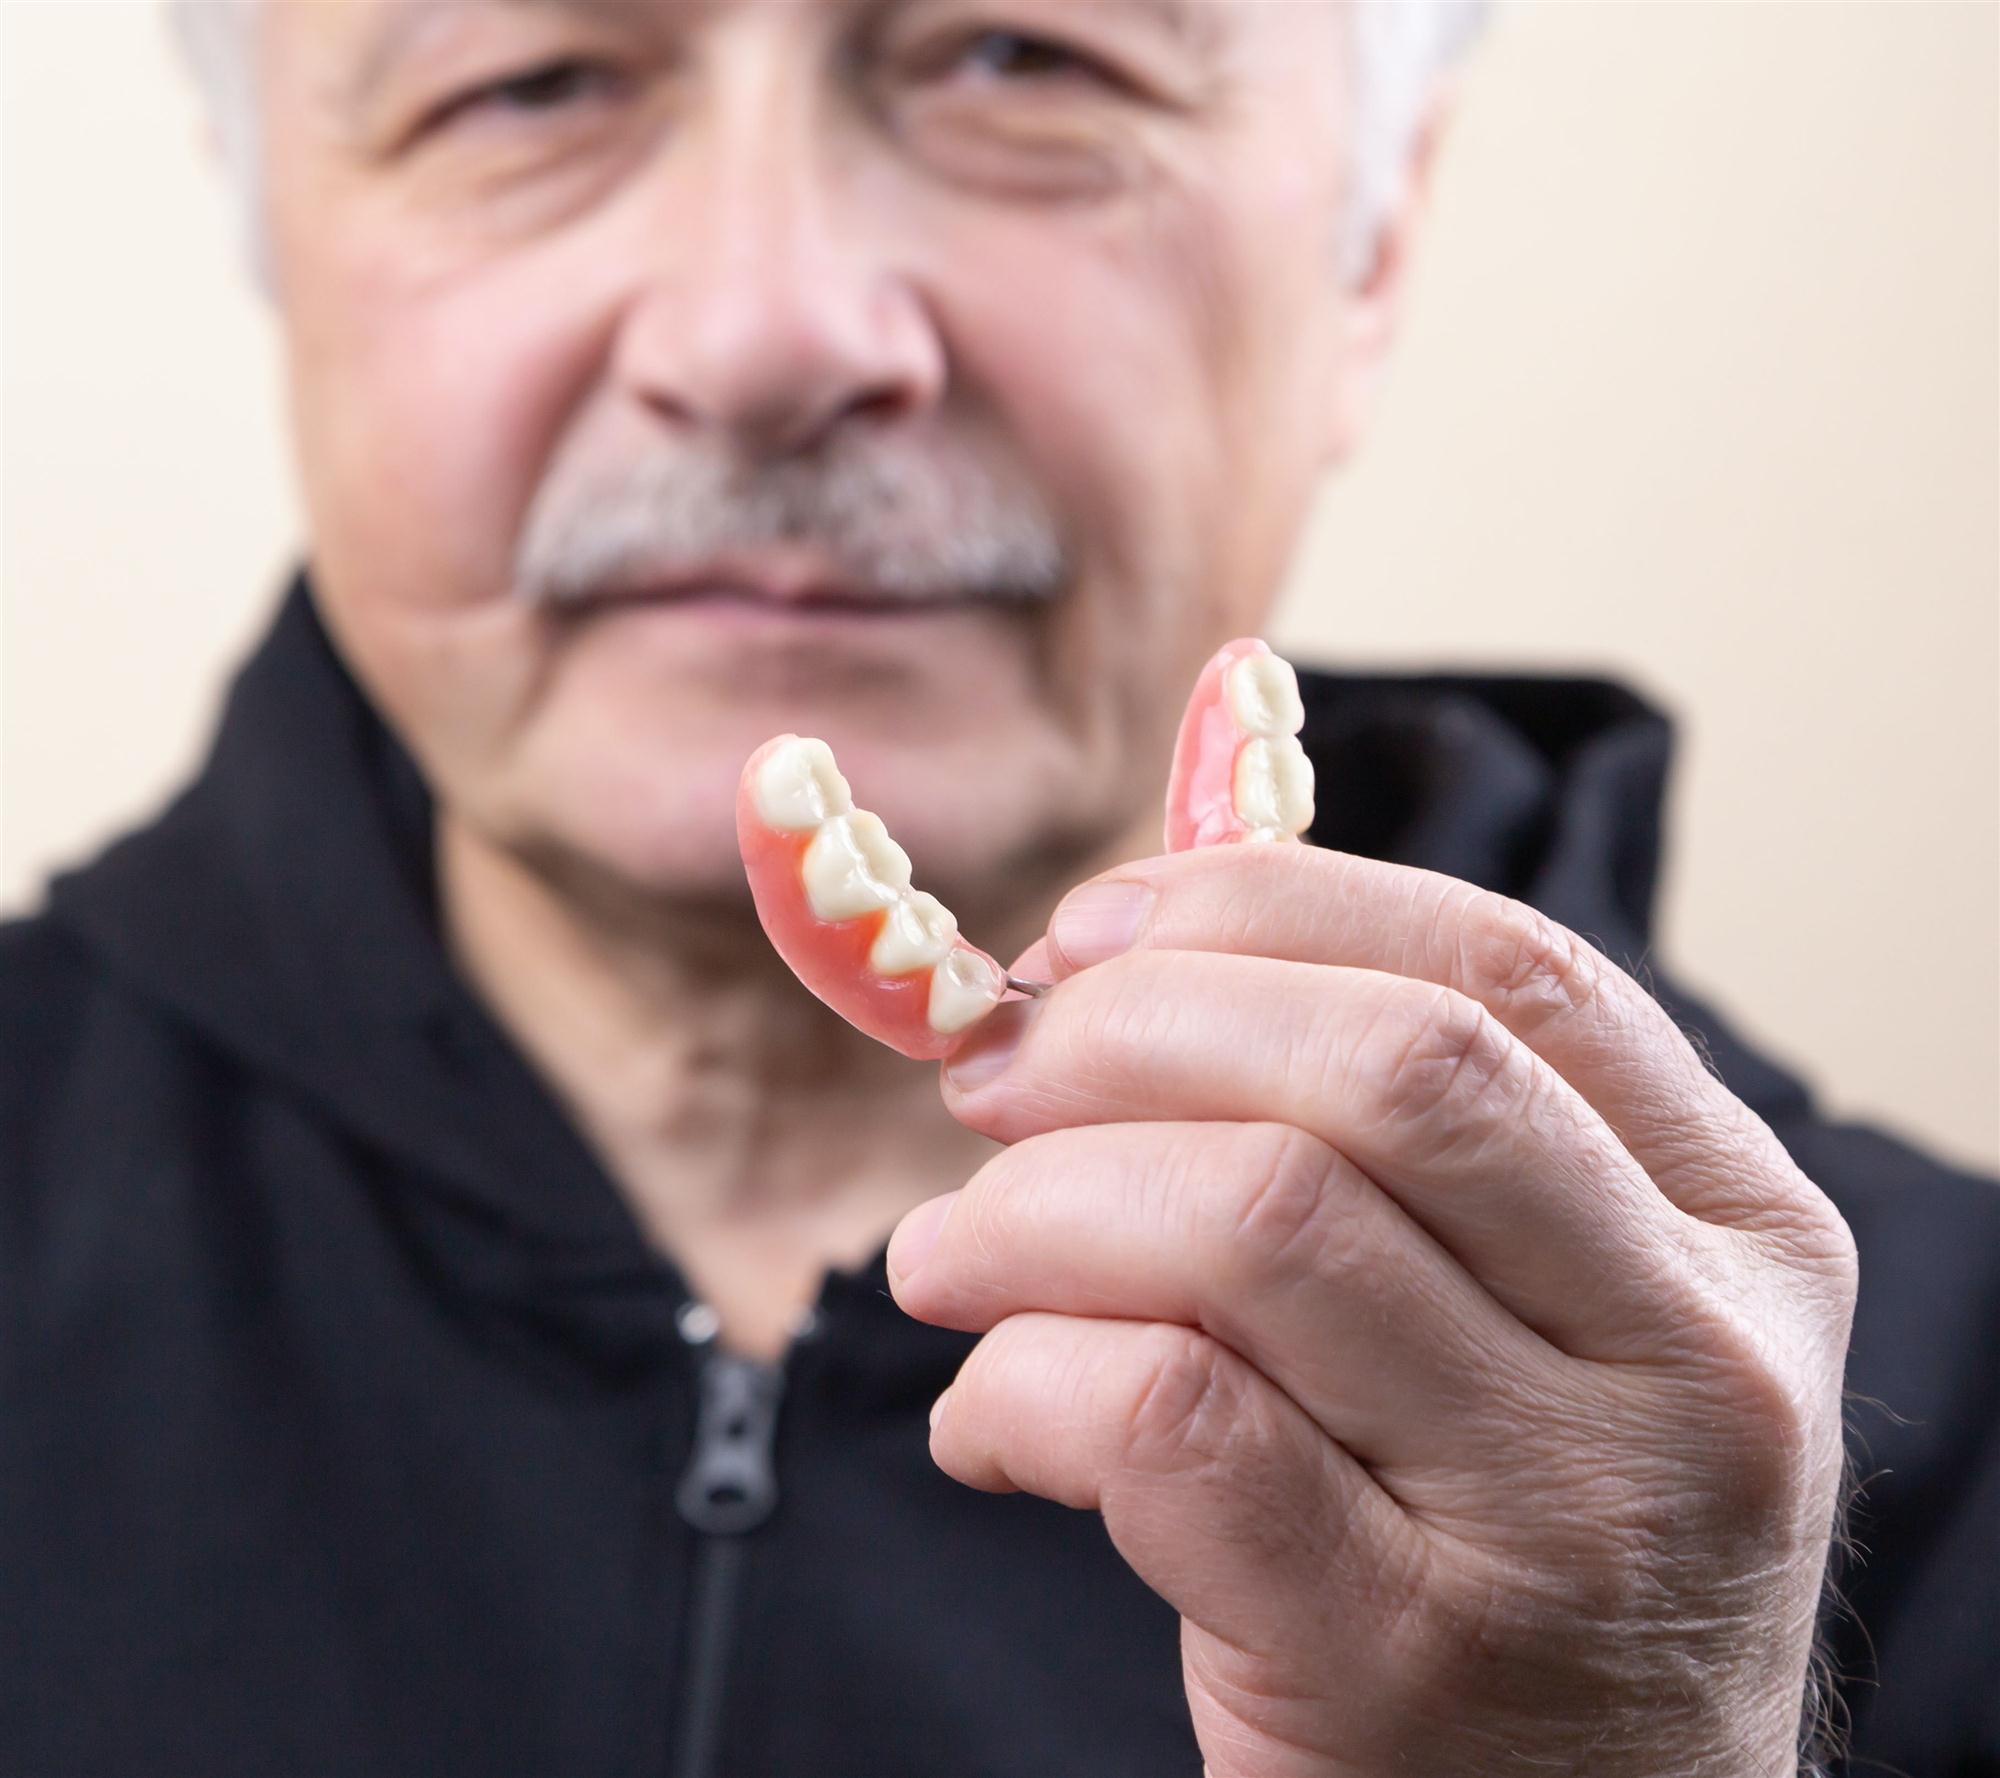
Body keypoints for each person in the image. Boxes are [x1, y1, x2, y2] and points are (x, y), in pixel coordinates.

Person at [2, 3, 1994, 1774]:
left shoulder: (1954, 1428)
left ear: (1369, 253)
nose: (769, 333)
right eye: (530, 84)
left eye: (1022, 58)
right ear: (280, 243)